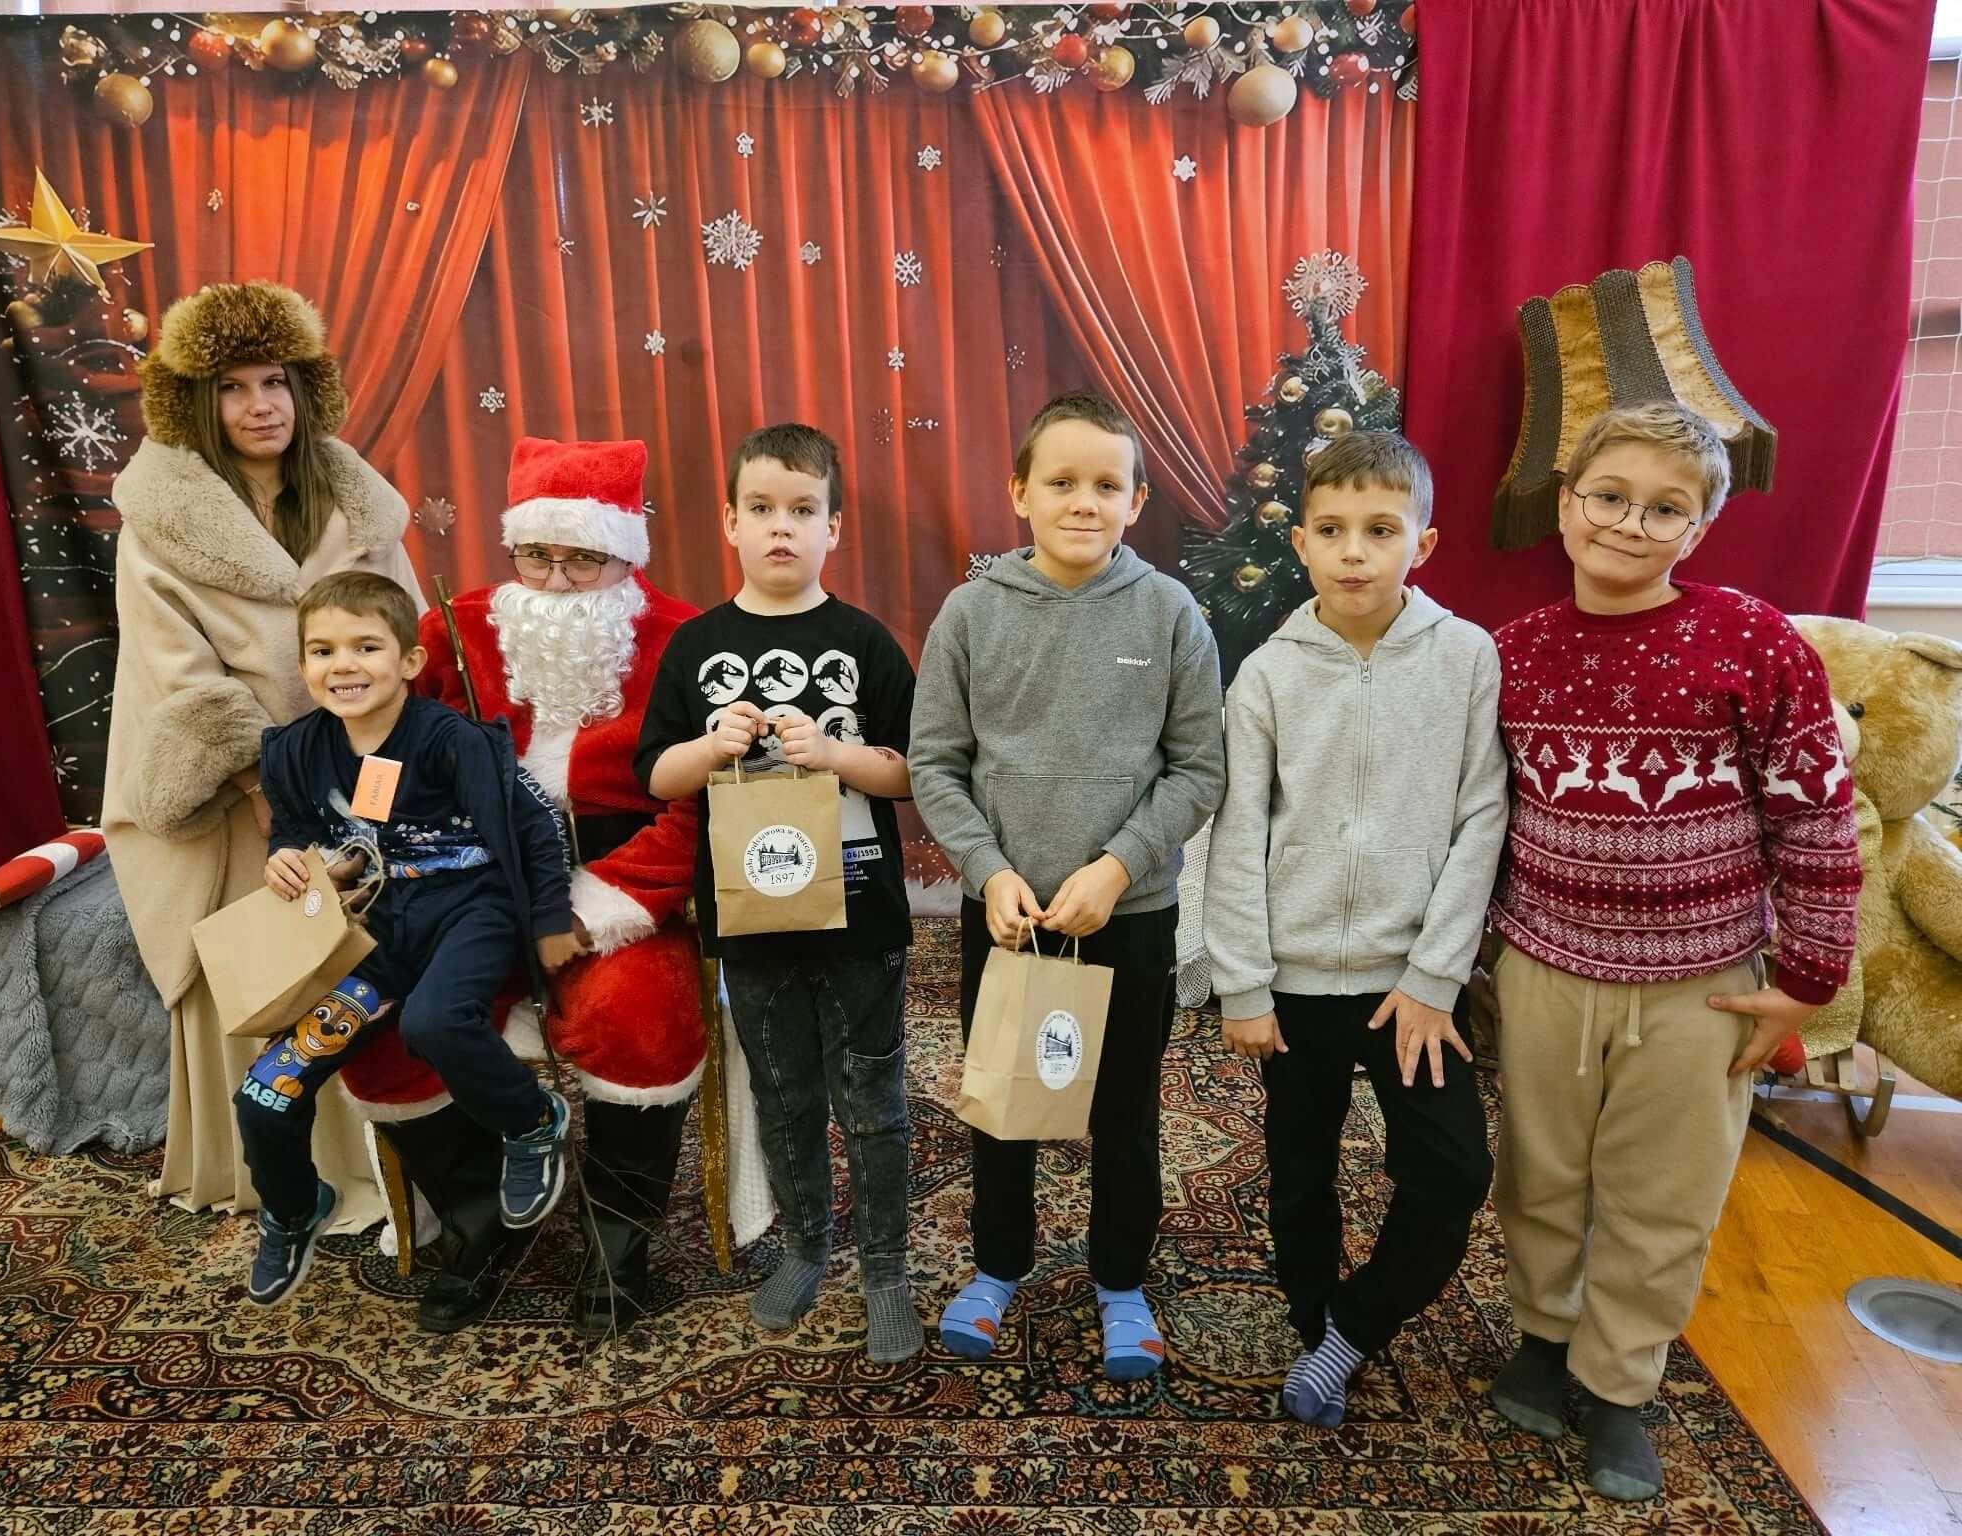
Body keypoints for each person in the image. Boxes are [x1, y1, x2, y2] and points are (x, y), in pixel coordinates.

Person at [1484, 402, 1861, 1500]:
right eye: (1608, 497)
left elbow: (1815, 814)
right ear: (1565, 504)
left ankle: (1617, 1382)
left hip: (1702, 989)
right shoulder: (1509, 654)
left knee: (1664, 1195)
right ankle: (1543, 1337)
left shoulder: (1754, 641)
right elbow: (1480, 817)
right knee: (1540, 1174)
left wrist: (1807, 981)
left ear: (1697, 529)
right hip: (1544, 968)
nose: (1628, 524)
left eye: (1664, 509)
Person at [337, 436, 714, 1337]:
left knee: (636, 1016)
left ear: (624, 554)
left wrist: (607, 904)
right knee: (378, 1018)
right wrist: (359, 842)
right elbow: (383, 748)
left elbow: (700, 807)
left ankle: (617, 1239)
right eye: (536, 555)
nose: (555, 580)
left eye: (582, 559)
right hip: (464, 885)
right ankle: (478, 1222)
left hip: (616, 886)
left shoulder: (683, 638)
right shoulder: (453, 628)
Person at [910, 390, 1225, 1381]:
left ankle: (1121, 1281)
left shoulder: (1169, 613)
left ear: (1136, 501)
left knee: (1123, 1108)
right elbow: (935, 765)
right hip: (1009, 916)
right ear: (1019, 492)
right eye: (1061, 482)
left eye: (1106, 484)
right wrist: (988, 871)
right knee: (1005, 1101)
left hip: (1129, 914)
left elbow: (1198, 769)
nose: (1084, 501)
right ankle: (997, 1267)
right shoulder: (971, 613)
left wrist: (1118, 866)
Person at [1201, 431, 1507, 1426]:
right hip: (1293, 987)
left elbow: (1481, 819)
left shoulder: (1465, 658)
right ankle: (1312, 1330)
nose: (1353, 552)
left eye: (1380, 530)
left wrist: (1433, 977)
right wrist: (1243, 983)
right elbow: (1236, 832)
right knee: (1300, 1175)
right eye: (1330, 530)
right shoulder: (1266, 675)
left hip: (1408, 986)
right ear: (1298, 542)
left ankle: (1350, 1326)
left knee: (1452, 1170)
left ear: (1422, 543)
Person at [104, 281, 423, 1229]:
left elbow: (404, 627)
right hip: (239, 789)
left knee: (372, 941)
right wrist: (268, 787)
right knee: (273, 947)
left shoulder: (351, 495)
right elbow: (177, 674)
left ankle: (393, 1161)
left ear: (304, 387)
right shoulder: (162, 518)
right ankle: (283, 1171)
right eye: (234, 387)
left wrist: (387, 761)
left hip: (360, 758)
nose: (260, 406)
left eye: (275, 381)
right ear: (197, 402)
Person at [635, 424, 921, 1364]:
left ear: (834, 527)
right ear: (729, 521)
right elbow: (657, 776)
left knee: (870, 1099)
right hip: (752, 917)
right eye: (761, 508)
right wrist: (711, 746)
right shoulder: (696, 647)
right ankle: (805, 1247)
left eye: (803, 510)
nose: (781, 527)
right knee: (786, 1094)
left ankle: (886, 1269)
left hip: (860, 916)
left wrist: (834, 754)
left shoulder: (864, 641)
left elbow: (912, 772)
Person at [236, 571, 580, 1306]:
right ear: (302, 664)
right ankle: (294, 1208)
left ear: (410, 660)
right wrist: (287, 857)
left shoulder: (451, 741)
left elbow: (537, 824)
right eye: (323, 650)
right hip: (375, 936)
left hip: (470, 913)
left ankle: (532, 1121)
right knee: (267, 1089)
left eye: (366, 646)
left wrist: (551, 919)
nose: (344, 665)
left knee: (434, 1023)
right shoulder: (294, 751)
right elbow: (295, 828)